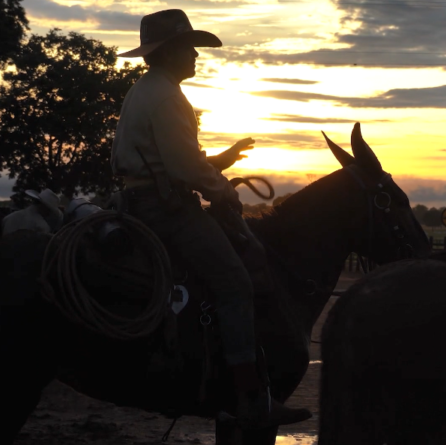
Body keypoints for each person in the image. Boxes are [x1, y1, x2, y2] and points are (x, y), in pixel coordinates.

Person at [111, 9, 310, 429]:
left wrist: (219, 161)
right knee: (235, 282)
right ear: (169, 53)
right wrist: (223, 192)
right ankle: (250, 396)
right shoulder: (168, 97)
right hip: (166, 209)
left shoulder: (145, 90)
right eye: (189, 48)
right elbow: (183, 168)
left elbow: (170, 160)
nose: (196, 56)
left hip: (140, 200)